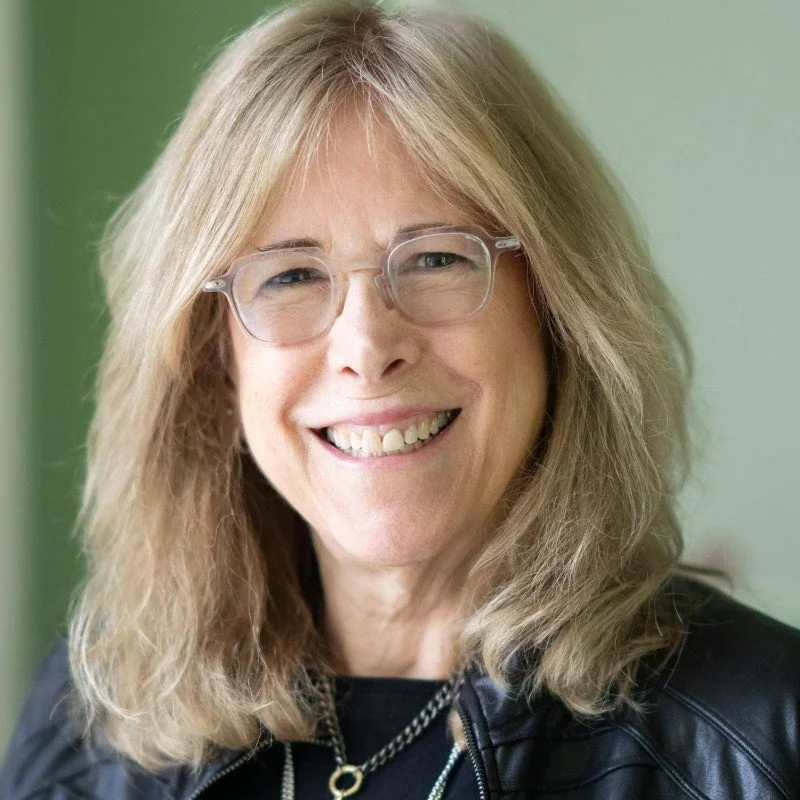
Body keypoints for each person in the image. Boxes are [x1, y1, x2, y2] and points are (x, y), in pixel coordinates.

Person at [2, 0, 798, 797]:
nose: (366, 347)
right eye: (291, 275)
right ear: (214, 357)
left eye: (436, 259)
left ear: (557, 311)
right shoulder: (91, 721)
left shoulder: (762, 734)